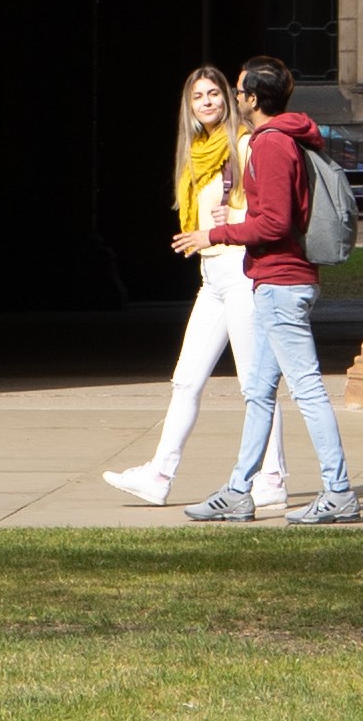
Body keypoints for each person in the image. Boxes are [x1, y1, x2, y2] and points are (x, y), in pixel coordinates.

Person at [181, 58, 362, 524]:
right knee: (259, 391)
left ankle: (338, 492)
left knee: (307, 389)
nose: (234, 97)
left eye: (239, 91)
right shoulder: (278, 138)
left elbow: (276, 223)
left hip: (283, 282)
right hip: (271, 282)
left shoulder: (272, 145)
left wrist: (216, 234)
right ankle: (239, 490)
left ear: (253, 100)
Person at [102, 66, 276, 508]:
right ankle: (159, 475)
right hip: (212, 277)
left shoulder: (243, 144)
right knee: (186, 380)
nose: (208, 102)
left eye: (215, 93)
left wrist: (226, 225)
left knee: (254, 385)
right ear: (190, 106)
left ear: (229, 98)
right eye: (198, 96)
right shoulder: (196, 151)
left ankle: (272, 477)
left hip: (240, 270)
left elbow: (267, 211)